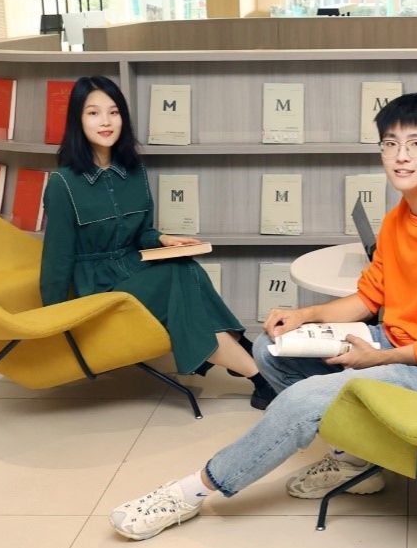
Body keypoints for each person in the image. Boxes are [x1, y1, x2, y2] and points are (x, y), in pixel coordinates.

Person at [109, 93, 417, 540]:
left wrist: (377, 359)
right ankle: (353, 460)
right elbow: (369, 297)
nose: (401, 156)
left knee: (303, 400)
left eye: (416, 144)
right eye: (390, 144)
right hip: (397, 343)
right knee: (270, 348)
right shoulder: (399, 218)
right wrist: (306, 315)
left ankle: (191, 492)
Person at [40, 76, 275, 410]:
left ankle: (250, 363)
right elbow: (57, 259)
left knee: (184, 265)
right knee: (177, 275)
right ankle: (256, 369)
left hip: (130, 266)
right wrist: (53, 324)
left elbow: (141, 234)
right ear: (78, 120)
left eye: (114, 112)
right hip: (96, 286)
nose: (106, 121)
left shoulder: (134, 171)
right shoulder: (62, 184)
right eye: (93, 113)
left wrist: (162, 239)